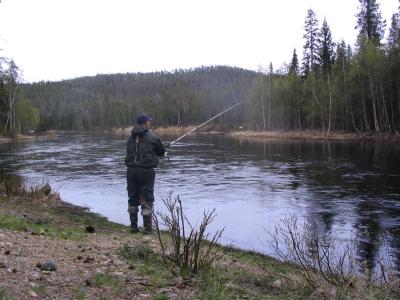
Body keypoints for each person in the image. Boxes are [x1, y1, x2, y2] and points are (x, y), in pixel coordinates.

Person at [125, 113, 166, 234]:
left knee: (132, 197)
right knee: (147, 198)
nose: (150, 123)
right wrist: (162, 153)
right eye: (149, 121)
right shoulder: (153, 137)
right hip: (146, 171)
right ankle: (147, 229)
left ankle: (134, 228)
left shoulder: (130, 138)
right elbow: (161, 151)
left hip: (131, 171)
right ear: (146, 123)